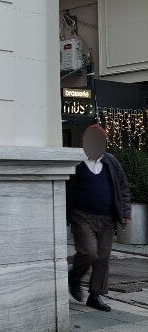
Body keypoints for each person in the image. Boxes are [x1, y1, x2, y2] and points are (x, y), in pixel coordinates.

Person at [66, 124, 131, 311]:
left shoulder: (111, 162)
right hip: (82, 216)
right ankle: (74, 277)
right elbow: (66, 188)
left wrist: (125, 212)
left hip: (106, 218)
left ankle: (95, 295)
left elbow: (123, 187)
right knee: (89, 252)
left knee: (102, 258)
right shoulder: (77, 162)